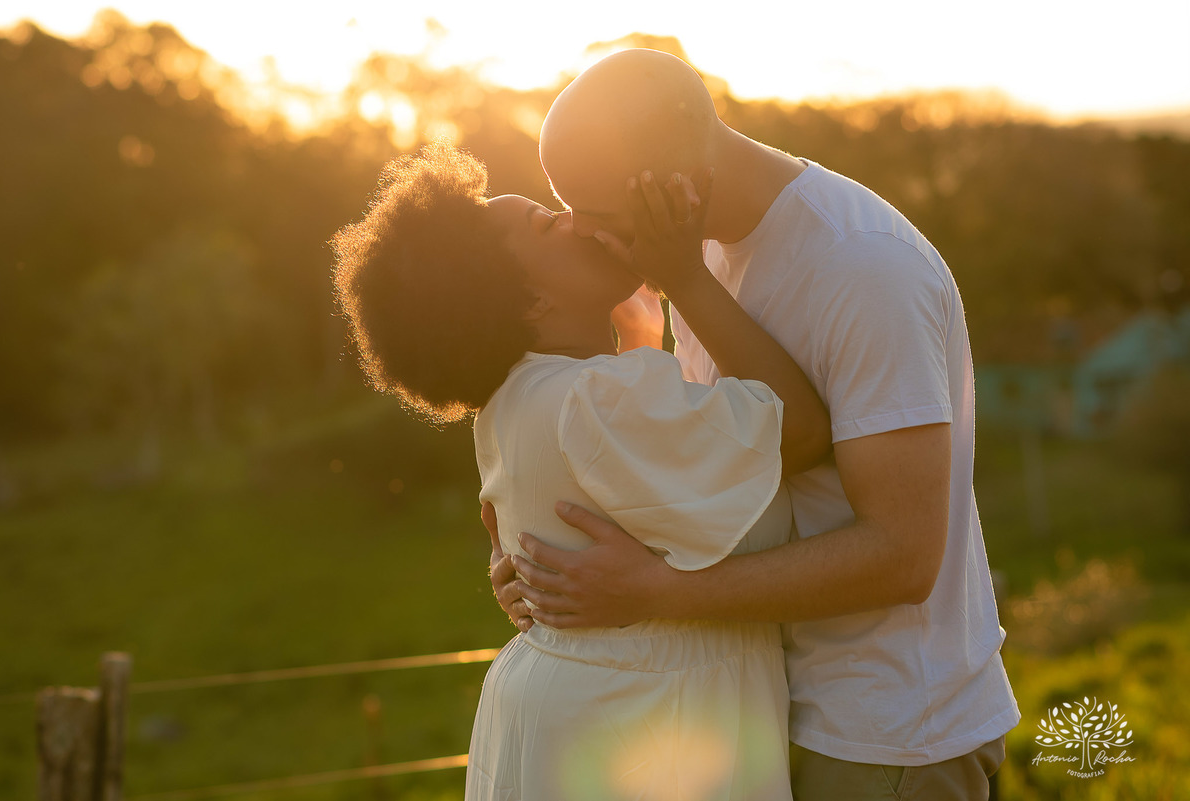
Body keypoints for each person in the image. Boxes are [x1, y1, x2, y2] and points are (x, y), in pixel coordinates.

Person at [488, 48, 1021, 800]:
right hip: (768, 706)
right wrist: (541, 565)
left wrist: (653, 592)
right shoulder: (687, 248)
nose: (583, 235)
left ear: (675, 179)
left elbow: (903, 554)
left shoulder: (863, 269)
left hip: (882, 730)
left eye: (599, 215)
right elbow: (704, 460)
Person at [330, 143, 832, 799]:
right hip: (642, 728)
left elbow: (629, 478)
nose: (572, 217)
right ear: (534, 302)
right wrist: (685, 278)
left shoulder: (520, 398)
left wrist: (642, 347)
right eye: (546, 222)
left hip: (575, 707)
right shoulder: (594, 401)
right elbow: (801, 429)